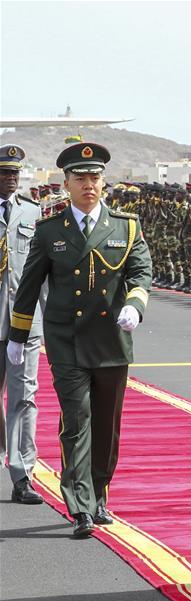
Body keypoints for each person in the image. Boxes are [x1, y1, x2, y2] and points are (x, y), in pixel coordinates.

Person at [7, 143, 152, 536]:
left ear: (104, 182)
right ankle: (80, 504)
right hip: (66, 340)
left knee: (107, 424)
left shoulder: (127, 226)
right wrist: (18, 336)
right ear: (66, 183)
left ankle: (100, 492)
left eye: (95, 178)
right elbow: (29, 286)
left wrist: (135, 305)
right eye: (81, 178)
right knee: (77, 419)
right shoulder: (50, 230)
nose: (89, 185)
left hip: (111, 340)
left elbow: (141, 273)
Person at [0, 144, 46, 504]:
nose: (10, 178)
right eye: (4, 172)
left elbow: (42, 274)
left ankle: (21, 475)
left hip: (24, 323)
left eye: (14, 173)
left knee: (24, 399)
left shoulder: (33, 212)